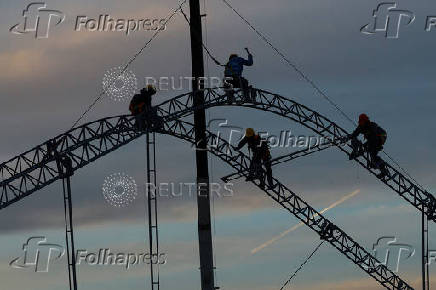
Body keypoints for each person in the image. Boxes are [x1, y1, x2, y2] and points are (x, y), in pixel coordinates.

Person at [348, 113, 389, 178]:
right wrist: (350, 136)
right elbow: (355, 133)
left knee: (373, 156)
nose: (361, 123)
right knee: (354, 139)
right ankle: (355, 151)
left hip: (379, 138)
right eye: (360, 122)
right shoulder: (361, 127)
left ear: (365, 121)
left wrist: (366, 145)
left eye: (362, 122)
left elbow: (374, 138)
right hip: (374, 139)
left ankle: (383, 170)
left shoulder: (372, 126)